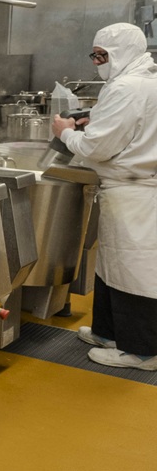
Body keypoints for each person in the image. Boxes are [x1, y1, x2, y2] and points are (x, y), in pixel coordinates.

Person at [52, 22, 157, 370]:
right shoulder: (145, 81)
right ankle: (108, 333)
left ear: (123, 53)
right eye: (95, 55)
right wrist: (93, 119)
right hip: (129, 189)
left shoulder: (127, 87)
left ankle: (141, 351)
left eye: (103, 55)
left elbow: (97, 148)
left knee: (134, 271)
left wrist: (66, 133)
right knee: (112, 266)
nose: (97, 62)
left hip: (134, 192)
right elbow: (128, 126)